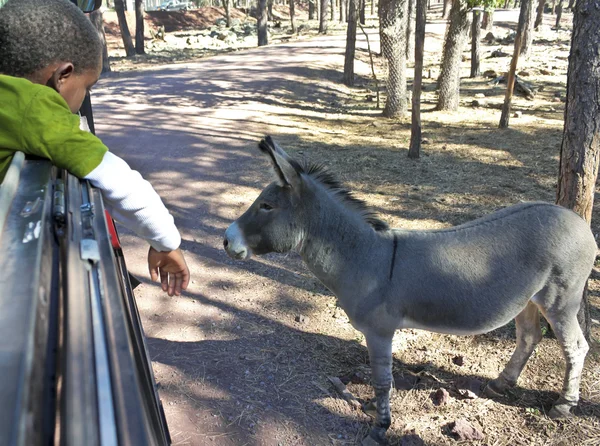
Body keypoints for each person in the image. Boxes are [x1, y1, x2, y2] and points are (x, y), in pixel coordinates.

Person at [0, 0, 190, 296]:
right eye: (87, 87)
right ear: (62, 76)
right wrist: (166, 242)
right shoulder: (33, 105)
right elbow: (118, 181)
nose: (82, 100)